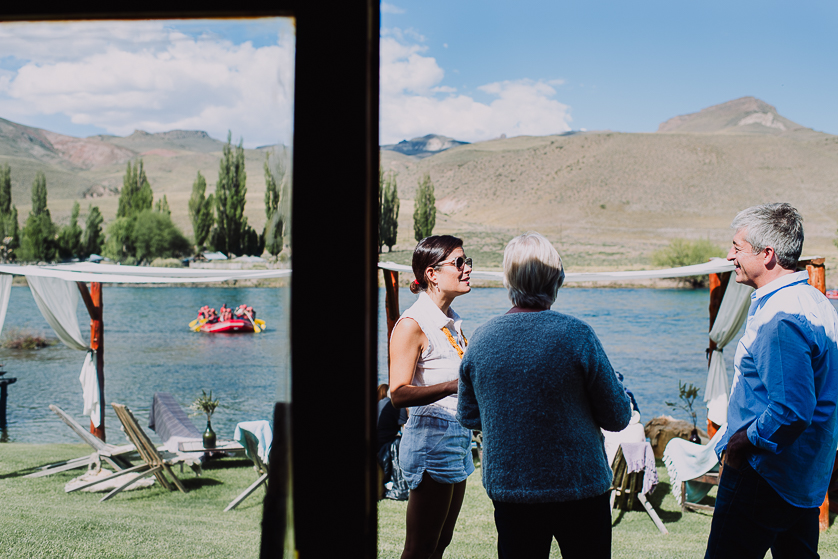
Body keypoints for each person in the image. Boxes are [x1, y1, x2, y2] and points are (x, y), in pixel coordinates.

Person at [457, 231, 632, 559]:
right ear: (557, 277)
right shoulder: (576, 335)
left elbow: (469, 416)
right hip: (579, 487)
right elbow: (618, 416)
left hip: (512, 489)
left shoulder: (481, 340)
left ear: (508, 279)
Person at [704, 203, 838, 559]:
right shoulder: (815, 301)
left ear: (767, 255)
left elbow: (791, 409)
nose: (729, 255)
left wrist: (740, 444)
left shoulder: (782, 316)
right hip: (801, 473)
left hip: (764, 474)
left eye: (737, 247)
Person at [389, 235, 474, 559]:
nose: (466, 269)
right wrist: (454, 386)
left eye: (467, 262)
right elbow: (397, 394)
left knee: (441, 542)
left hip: (457, 438)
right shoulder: (413, 323)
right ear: (432, 274)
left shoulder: (452, 325)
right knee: (420, 548)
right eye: (459, 262)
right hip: (431, 441)